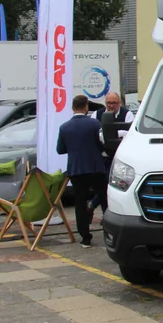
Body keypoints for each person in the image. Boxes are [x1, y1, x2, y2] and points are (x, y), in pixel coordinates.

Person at [57, 94, 107, 248]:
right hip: (95, 167)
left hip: (76, 170)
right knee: (104, 198)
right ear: (86, 107)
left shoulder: (64, 127)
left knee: (79, 202)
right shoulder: (95, 124)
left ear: (73, 108)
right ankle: (109, 231)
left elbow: (60, 150)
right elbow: (102, 145)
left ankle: (85, 237)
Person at [89, 92, 130, 210]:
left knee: (115, 185)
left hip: (118, 156)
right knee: (103, 186)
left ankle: (93, 205)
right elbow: (95, 134)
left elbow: (128, 133)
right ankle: (101, 209)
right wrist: (117, 133)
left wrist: (109, 134)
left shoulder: (127, 114)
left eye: (114, 103)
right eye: (108, 103)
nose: (111, 106)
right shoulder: (97, 114)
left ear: (119, 103)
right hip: (102, 156)